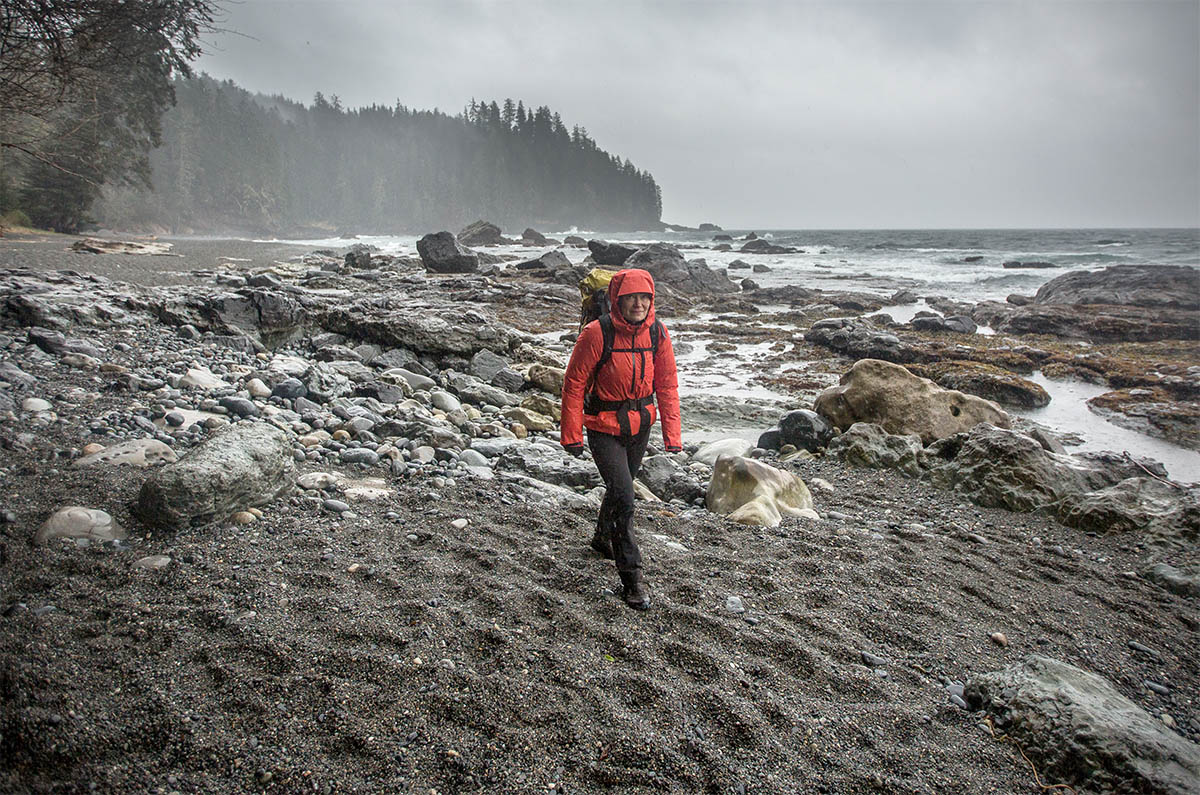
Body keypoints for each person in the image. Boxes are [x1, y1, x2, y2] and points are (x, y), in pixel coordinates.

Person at [560, 268, 681, 610]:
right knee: (626, 497)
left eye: (645, 297)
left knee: (619, 489)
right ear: (617, 299)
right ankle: (633, 579)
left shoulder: (658, 334)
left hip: (639, 426)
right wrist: (571, 434)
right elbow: (574, 384)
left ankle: (602, 537)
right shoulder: (596, 334)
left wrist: (672, 435)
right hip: (603, 426)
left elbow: (667, 385)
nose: (639, 303)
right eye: (631, 297)